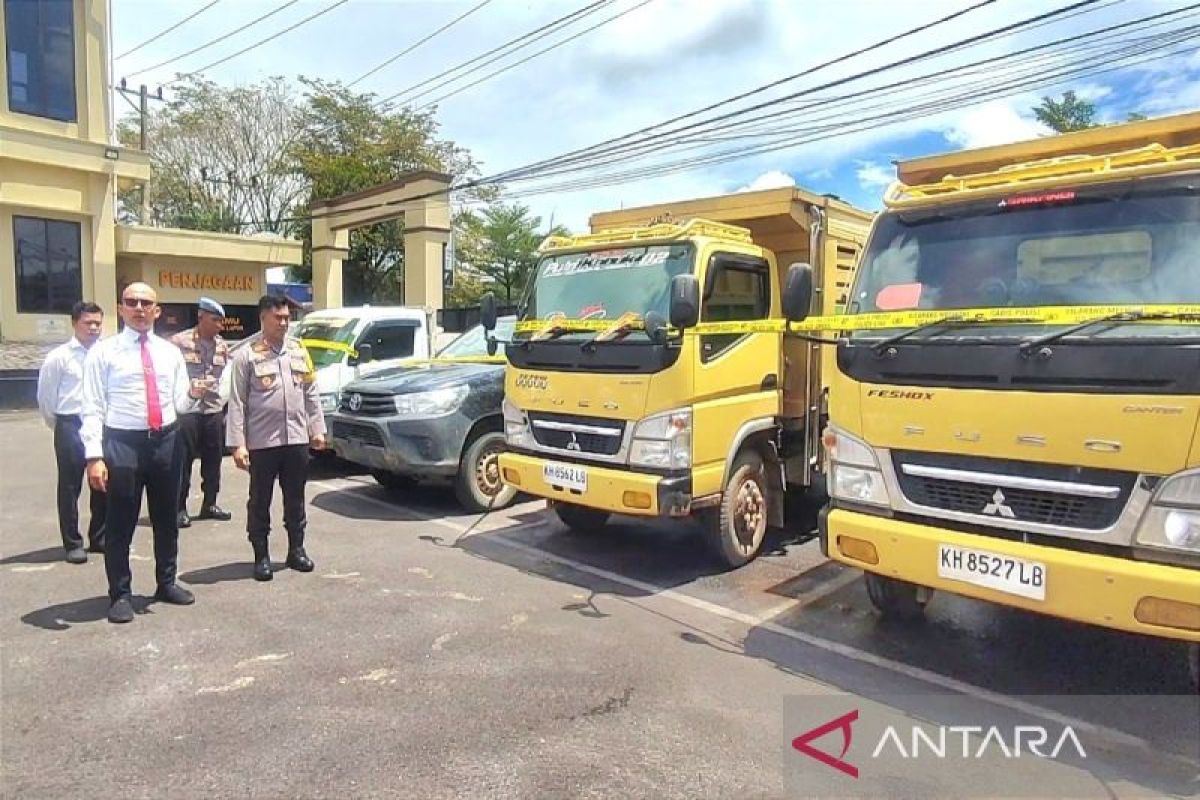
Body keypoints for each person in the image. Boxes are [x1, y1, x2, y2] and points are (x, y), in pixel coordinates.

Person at [82, 283, 202, 624]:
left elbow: (179, 402)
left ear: (157, 310)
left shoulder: (169, 352)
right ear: (120, 309)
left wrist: (194, 394)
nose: (139, 308)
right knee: (121, 521)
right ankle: (120, 593)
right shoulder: (104, 353)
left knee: (167, 517)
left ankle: (166, 582)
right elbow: (91, 406)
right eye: (131, 302)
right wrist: (94, 456)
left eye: (146, 303)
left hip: (166, 440)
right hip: (122, 442)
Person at [226, 295, 327, 582]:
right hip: (262, 442)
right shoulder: (247, 355)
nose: (284, 323)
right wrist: (238, 444)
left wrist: (316, 429)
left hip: (295, 439)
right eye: (278, 318)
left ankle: (296, 550)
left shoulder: (298, 350)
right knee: (260, 500)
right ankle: (261, 556)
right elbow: (237, 402)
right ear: (263, 318)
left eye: (286, 318)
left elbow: (310, 392)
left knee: (295, 498)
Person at [37, 301, 107, 564]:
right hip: (70, 424)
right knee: (69, 485)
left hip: (100, 424)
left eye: (98, 323)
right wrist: (60, 425)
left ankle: (99, 537)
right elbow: (46, 397)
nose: (93, 327)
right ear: (74, 323)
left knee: (102, 481)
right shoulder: (59, 356)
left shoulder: (105, 354)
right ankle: (72, 542)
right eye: (87, 322)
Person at [171, 296, 233, 528]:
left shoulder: (222, 346)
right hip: (188, 410)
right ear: (201, 316)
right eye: (215, 320)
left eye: (221, 321)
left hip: (213, 409)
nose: (219, 325)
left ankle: (210, 503)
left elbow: (226, 376)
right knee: (183, 461)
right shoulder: (178, 342)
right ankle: (179, 507)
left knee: (213, 459)